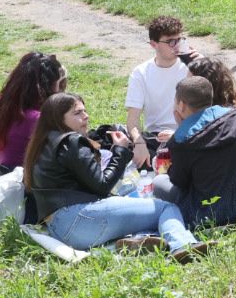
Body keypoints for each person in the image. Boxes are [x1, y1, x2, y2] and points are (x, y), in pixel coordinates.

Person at [26, 92, 208, 260]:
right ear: (59, 118)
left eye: (85, 110)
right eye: (78, 113)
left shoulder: (42, 143)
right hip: (79, 221)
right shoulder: (72, 142)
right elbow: (103, 185)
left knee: (144, 213)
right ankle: (183, 246)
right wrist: (120, 150)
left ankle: (139, 240)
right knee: (166, 208)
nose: (86, 116)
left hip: (58, 228)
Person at [157, 75, 236, 228]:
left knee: (158, 182)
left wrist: (181, 127)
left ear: (181, 105)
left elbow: (179, 182)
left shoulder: (182, 139)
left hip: (213, 217)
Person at [0, 51, 68, 169]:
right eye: (59, 84)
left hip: (5, 167)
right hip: (26, 177)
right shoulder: (37, 118)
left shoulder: (6, 104)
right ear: (48, 86)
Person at [126, 15, 192, 169]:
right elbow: (133, 120)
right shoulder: (140, 73)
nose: (176, 46)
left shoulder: (190, 68)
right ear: (153, 44)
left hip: (186, 134)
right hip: (156, 138)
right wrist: (139, 142)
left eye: (179, 40)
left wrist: (178, 135)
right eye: (170, 41)